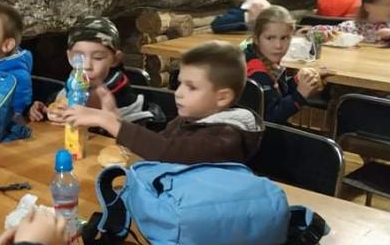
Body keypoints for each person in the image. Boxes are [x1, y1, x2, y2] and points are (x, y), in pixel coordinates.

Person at [61, 41, 263, 163]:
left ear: (222, 97)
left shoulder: (225, 138)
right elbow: (152, 146)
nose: (179, 93)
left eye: (191, 87)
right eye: (180, 83)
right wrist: (111, 117)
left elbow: (166, 152)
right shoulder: (190, 119)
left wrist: (107, 121)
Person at [28, 16, 148, 124]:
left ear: (115, 59)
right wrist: (43, 111)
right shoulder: (72, 85)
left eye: (98, 58)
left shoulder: (123, 97)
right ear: (69, 57)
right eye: (78, 57)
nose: (87, 66)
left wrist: (94, 118)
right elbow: (56, 107)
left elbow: (127, 131)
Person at [246, 6, 325, 124]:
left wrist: (298, 80)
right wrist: (300, 95)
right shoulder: (257, 72)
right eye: (270, 38)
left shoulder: (265, 59)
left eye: (284, 38)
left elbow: (277, 95)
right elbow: (270, 120)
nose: (278, 45)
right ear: (256, 39)